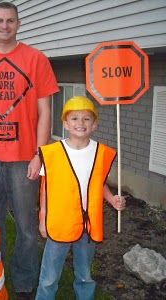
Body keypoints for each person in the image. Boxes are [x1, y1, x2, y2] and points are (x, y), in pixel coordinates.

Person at [0, 2, 59, 299]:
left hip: (23, 158)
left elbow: (46, 111)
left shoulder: (36, 59)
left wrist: (39, 154)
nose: (4, 26)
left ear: (18, 24)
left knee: (28, 227)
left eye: (10, 21)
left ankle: (25, 282)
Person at [35, 96, 127, 300]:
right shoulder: (52, 153)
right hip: (59, 221)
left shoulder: (100, 152)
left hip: (88, 224)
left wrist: (112, 200)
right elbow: (45, 189)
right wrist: (43, 217)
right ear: (66, 123)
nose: (80, 123)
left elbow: (99, 183)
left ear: (94, 125)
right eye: (74, 118)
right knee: (49, 276)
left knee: (85, 275)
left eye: (87, 119)